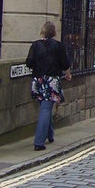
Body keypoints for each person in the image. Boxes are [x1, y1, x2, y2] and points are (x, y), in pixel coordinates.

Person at [26, 21, 71, 151]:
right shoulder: (58, 46)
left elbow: (29, 62)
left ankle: (50, 135)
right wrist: (68, 74)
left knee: (45, 108)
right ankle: (39, 142)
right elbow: (65, 64)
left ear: (43, 31)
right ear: (54, 32)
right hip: (51, 81)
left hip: (38, 81)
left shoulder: (35, 45)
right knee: (46, 110)